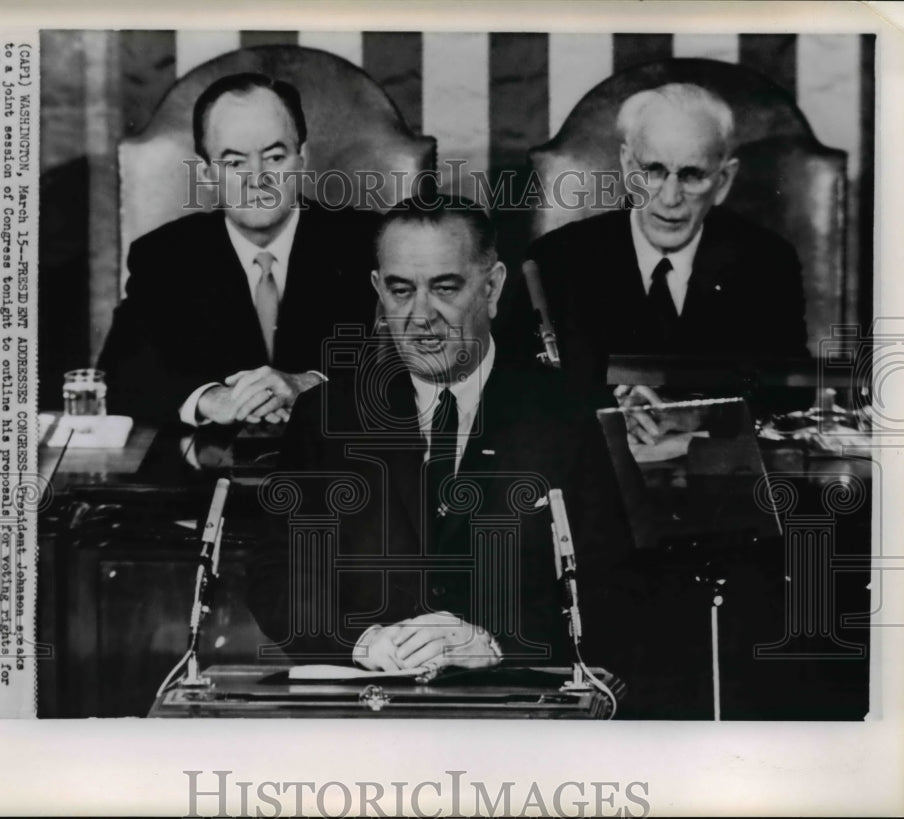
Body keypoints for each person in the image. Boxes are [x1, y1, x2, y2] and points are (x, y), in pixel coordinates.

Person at [247, 195, 636, 677]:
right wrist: (366, 643)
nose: (421, 315)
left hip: (517, 715)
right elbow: (277, 578)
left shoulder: (567, 415)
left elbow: (615, 588)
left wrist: (492, 645)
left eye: (445, 288)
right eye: (400, 291)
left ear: (492, 288)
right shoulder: (326, 416)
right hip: (370, 714)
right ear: (377, 290)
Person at [506, 82, 810, 442]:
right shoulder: (555, 258)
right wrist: (608, 408)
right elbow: (512, 390)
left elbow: (792, 392)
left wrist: (700, 413)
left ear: (723, 180)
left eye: (692, 175)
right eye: (652, 171)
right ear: (626, 165)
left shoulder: (767, 262)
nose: (670, 198)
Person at [98, 73, 379, 425]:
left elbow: (415, 364)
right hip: (210, 468)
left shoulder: (369, 242)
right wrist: (208, 398)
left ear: (302, 158)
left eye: (275, 157)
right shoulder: (163, 256)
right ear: (206, 173)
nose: (257, 177)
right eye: (234, 162)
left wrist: (311, 385)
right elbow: (117, 380)